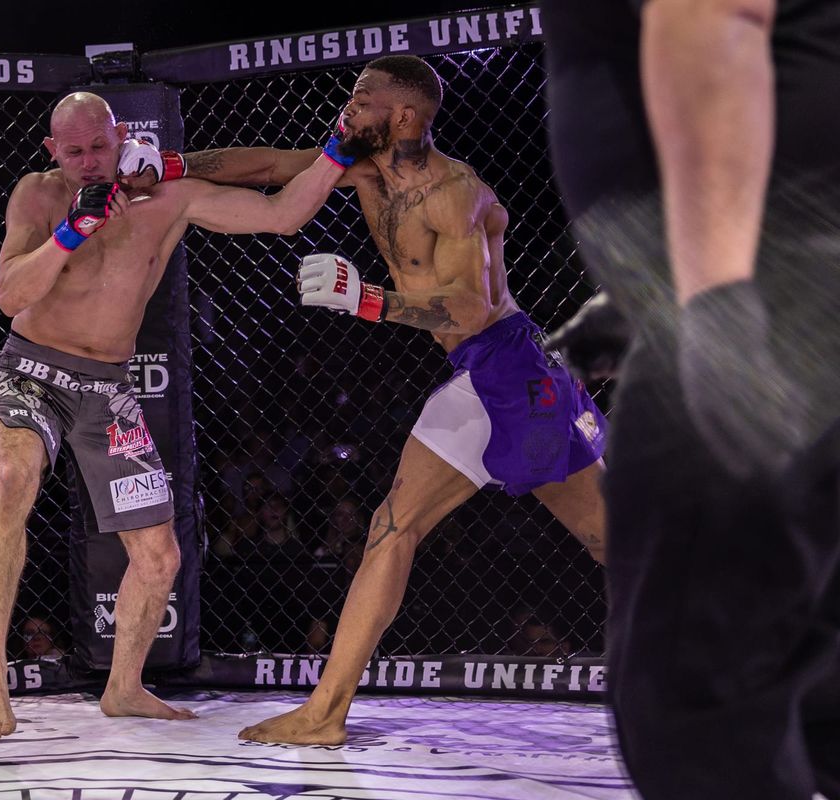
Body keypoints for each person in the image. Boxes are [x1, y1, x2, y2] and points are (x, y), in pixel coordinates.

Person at [140, 54, 610, 745]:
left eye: (363, 100)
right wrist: (168, 165)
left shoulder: (454, 193)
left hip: (514, 373)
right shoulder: (365, 167)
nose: (349, 109)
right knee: (393, 528)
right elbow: (268, 166)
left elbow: (470, 310)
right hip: (478, 375)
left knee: (611, 540)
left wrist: (366, 300)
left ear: (406, 115)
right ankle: (324, 713)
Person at [0, 90, 352, 740]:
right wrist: (72, 230)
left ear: (121, 135)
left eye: (99, 146)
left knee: (159, 556)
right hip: (31, 370)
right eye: (73, 151)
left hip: (106, 386)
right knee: (14, 478)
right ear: (52, 150)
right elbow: (11, 294)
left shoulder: (169, 198)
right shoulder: (38, 195)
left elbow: (282, 214)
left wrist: (339, 150)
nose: (88, 162)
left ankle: (124, 687)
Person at [539, 2, 840, 798]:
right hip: (796, 287)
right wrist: (645, 292)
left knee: (695, 708)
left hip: (772, 308)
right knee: (820, 691)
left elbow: (719, 14)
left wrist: (718, 305)